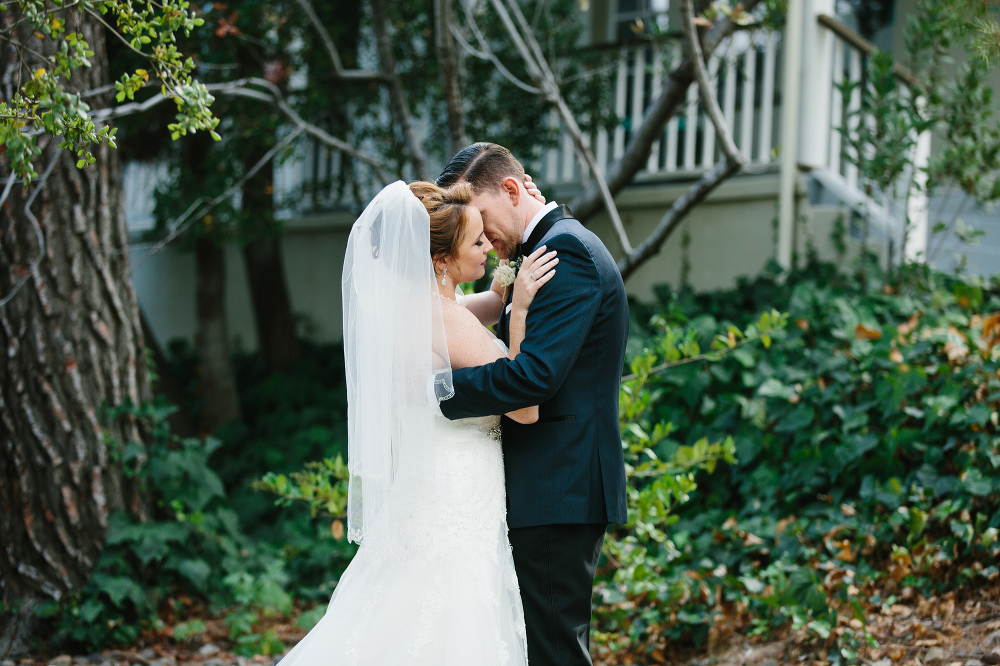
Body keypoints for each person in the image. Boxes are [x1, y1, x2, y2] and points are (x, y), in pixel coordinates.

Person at [274, 177, 556, 666]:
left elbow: (475, 311)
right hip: (458, 492)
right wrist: (521, 314)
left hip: (427, 488)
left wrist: (502, 291)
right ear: (440, 261)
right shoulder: (443, 318)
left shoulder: (417, 309)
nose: (488, 245)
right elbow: (525, 406)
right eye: (476, 241)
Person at [436, 142, 630, 666]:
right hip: (547, 484)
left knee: (554, 654)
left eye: (481, 219)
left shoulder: (564, 252)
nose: (480, 235)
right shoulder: (546, 250)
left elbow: (534, 377)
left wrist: (438, 394)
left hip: (557, 483)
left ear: (512, 189)